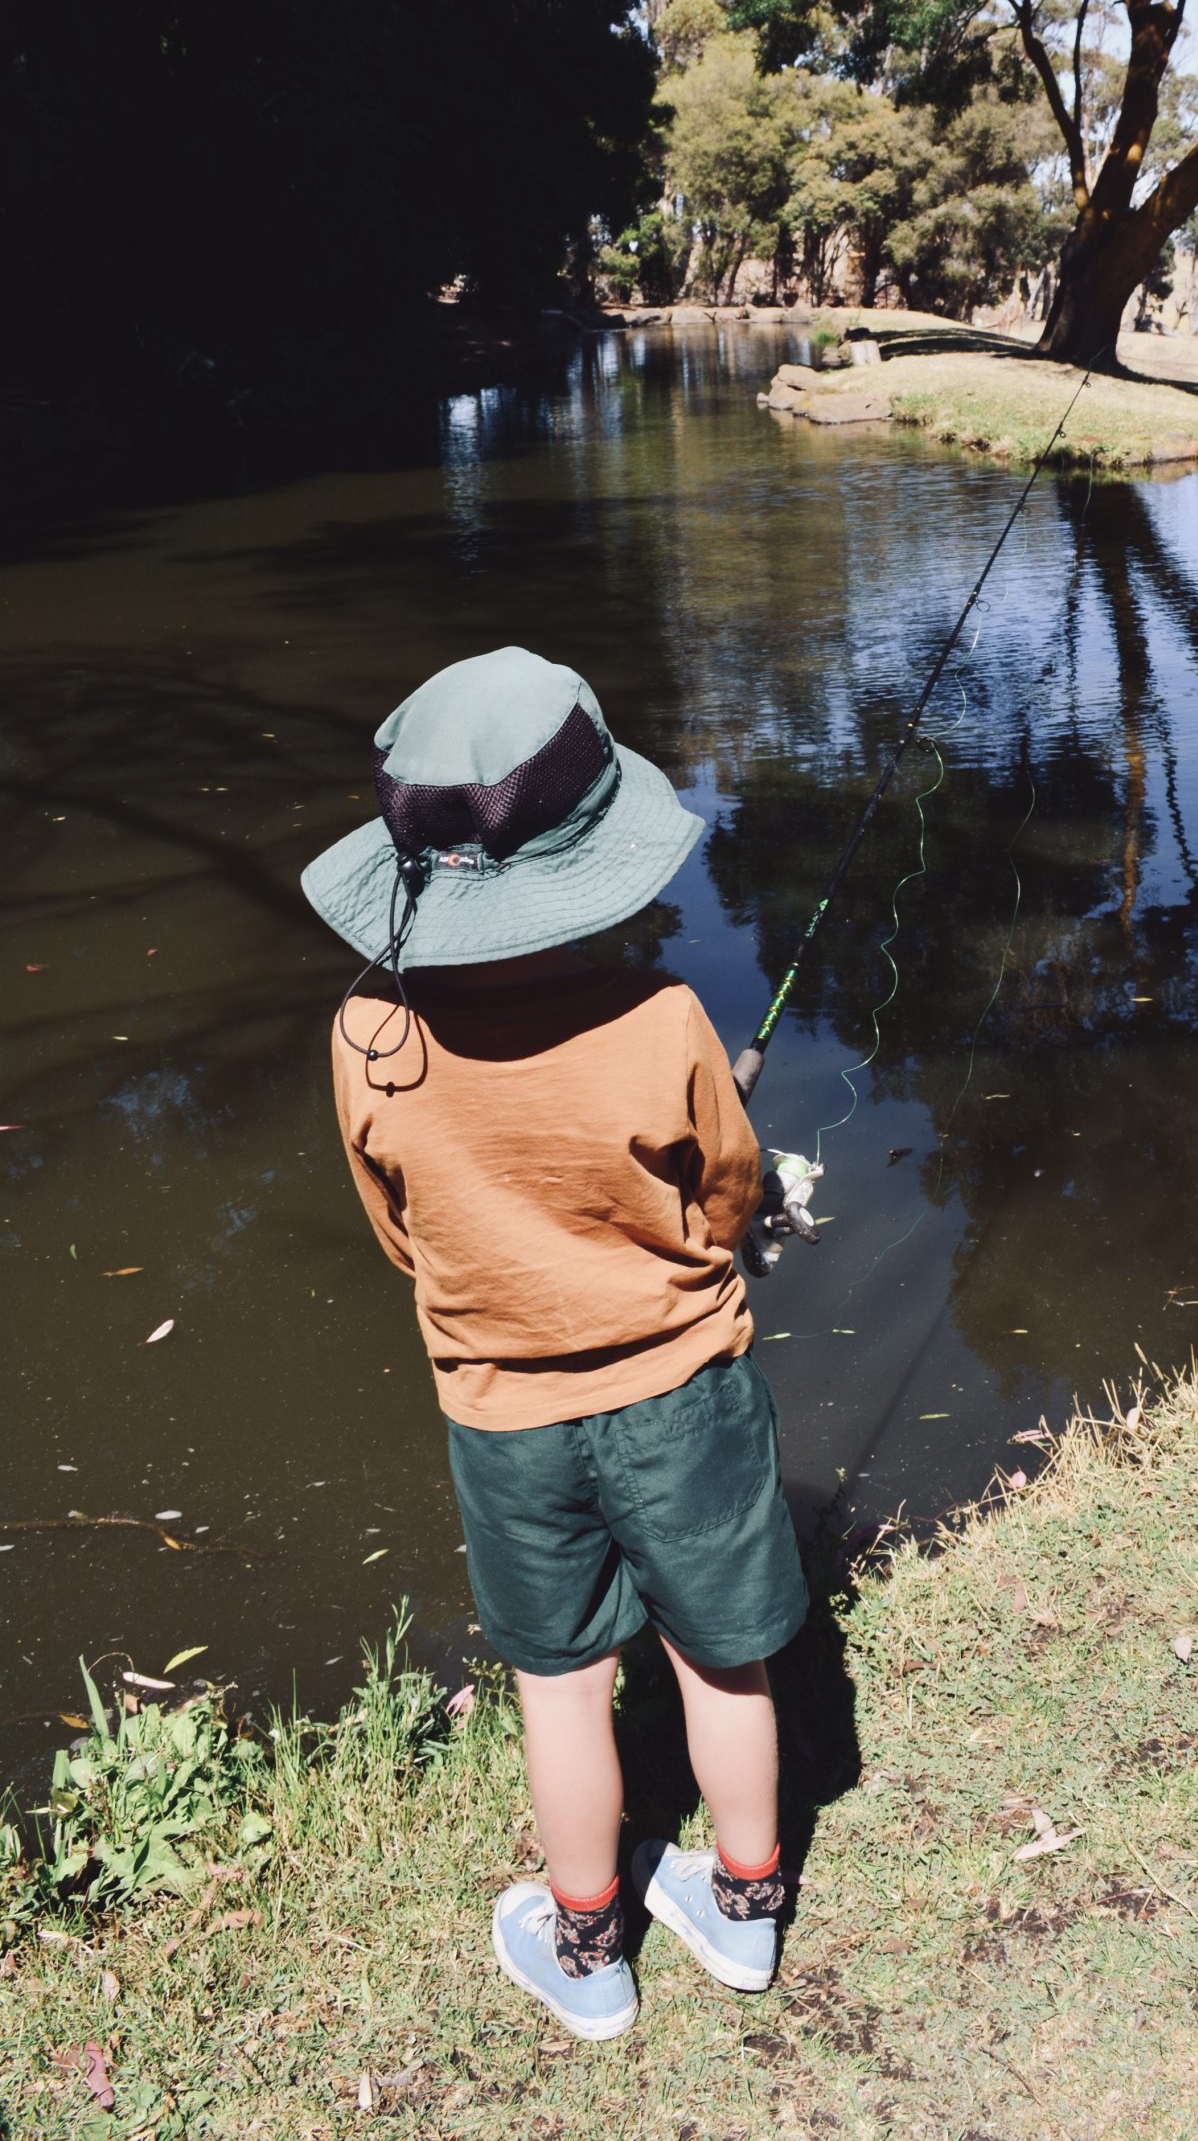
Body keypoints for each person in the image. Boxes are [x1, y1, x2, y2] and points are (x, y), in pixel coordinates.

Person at [301, 645, 808, 2041]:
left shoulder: (367, 1033)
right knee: (725, 1661)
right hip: (686, 1391)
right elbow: (727, 1195)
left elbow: (397, 1228)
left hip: (502, 1414)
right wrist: (709, 1247)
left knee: (562, 1682)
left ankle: (590, 1955)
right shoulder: (664, 1017)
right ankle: (746, 1911)